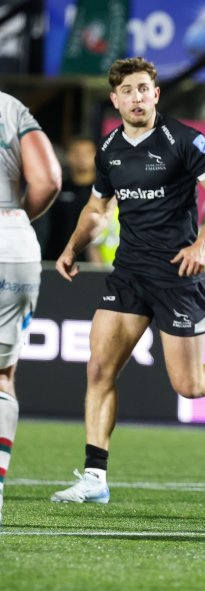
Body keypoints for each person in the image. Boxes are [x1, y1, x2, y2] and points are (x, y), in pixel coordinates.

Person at [49, 57, 205, 505]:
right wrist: (70, 247)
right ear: (115, 99)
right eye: (128, 90)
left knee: (189, 384)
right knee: (99, 369)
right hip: (128, 274)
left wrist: (204, 243)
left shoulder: (184, 140)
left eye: (144, 88)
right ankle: (94, 477)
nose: (137, 97)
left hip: (178, 276)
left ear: (156, 94)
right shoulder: (108, 149)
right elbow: (97, 208)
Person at [0, 91, 62, 525]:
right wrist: (14, 216)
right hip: (13, 243)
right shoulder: (10, 107)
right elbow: (48, 180)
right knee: (3, 375)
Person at [34, 138, 102, 264]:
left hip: (94, 262)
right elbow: (44, 227)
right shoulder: (56, 190)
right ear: (69, 156)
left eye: (87, 153)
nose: (81, 158)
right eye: (77, 153)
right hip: (56, 259)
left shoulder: (107, 192)